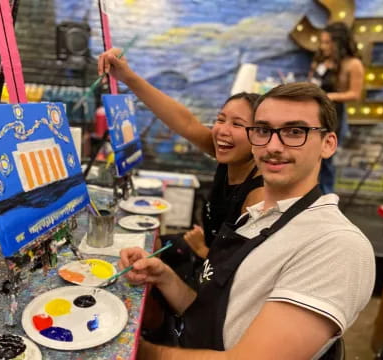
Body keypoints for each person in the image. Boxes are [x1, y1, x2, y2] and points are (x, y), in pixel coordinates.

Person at [120, 82, 375, 359]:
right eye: (264, 130)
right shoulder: (253, 217)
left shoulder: (336, 245)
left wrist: (138, 352)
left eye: (294, 132)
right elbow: (216, 312)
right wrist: (165, 277)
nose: (273, 146)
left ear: (328, 144)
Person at [98, 48, 264, 268]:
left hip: (213, 275)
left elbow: (243, 273)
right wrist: (128, 76)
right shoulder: (229, 155)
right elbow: (185, 122)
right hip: (204, 250)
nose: (222, 130)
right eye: (221, 119)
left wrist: (203, 250)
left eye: (237, 124)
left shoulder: (258, 196)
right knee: (147, 245)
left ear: (261, 135)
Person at [309, 22, 364, 194]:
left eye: (327, 42)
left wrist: (328, 96)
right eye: (322, 42)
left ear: (338, 43)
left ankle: (326, 199)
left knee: (326, 160)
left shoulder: (353, 64)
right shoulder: (321, 61)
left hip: (334, 116)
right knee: (311, 158)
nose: (322, 46)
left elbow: (355, 94)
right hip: (313, 113)